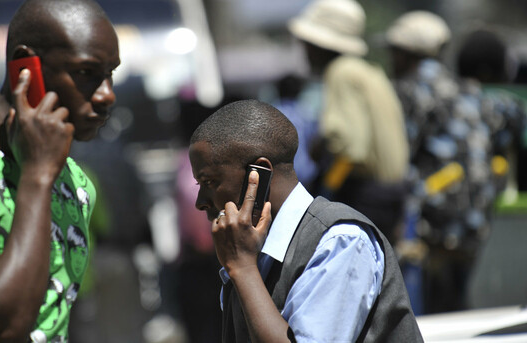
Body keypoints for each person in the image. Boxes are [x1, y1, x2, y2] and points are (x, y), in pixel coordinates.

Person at [0, 0, 120, 342]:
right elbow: (3, 327)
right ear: (24, 66)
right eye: (87, 73)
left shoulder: (77, 183)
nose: (107, 95)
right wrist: (37, 176)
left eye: (111, 74)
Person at [189, 99, 422, 342]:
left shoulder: (340, 241)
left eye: (209, 182)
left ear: (256, 175)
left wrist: (243, 269)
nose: (200, 202)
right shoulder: (252, 252)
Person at [386, 14, 526, 313]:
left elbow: (399, 161)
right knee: (458, 308)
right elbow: (513, 115)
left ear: (403, 53)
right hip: (475, 224)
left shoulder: (409, 91)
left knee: (428, 316)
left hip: (429, 228)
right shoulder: (468, 91)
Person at [288, 0, 410, 246]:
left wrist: (324, 196)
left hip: (364, 195)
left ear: (319, 45)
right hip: (390, 195)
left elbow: (349, 146)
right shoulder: (370, 72)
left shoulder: (341, 72)